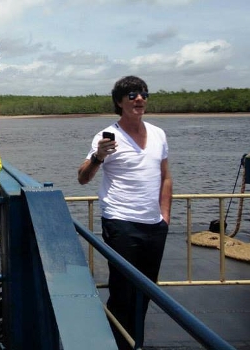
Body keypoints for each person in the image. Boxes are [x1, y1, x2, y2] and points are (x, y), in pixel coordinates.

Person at [77, 75, 172, 350]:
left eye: (143, 93)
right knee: (123, 292)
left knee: (147, 289)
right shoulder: (107, 136)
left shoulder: (158, 134)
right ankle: (118, 343)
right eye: (132, 95)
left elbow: (166, 177)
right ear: (119, 102)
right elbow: (83, 177)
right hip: (121, 222)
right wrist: (99, 156)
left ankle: (134, 341)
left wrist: (164, 216)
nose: (139, 99)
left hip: (154, 225)